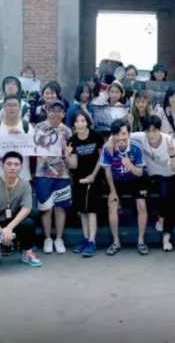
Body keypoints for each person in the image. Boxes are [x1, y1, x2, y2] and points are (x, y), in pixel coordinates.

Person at [0, 151, 42, 267]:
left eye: (16, 164)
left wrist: (9, 228)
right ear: (2, 166)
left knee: (29, 223)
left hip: (14, 222)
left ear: (21, 167)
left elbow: (26, 208)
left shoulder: (25, 185)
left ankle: (28, 252)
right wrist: (2, 233)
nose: (12, 168)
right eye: (9, 164)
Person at [101, 119, 150, 256]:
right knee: (112, 204)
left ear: (129, 133)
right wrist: (112, 191)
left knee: (141, 205)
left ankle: (141, 241)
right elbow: (107, 171)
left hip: (136, 178)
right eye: (117, 134)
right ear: (113, 135)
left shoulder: (136, 147)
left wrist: (129, 165)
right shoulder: (108, 148)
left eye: (123, 134)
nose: (121, 138)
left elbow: (140, 172)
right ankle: (116, 242)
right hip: (117, 180)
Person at [34, 101, 73, 254]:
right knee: (46, 208)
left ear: (63, 113)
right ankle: (48, 239)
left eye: (59, 110)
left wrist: (65, 150)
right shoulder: (38, 128)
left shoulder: (67, 131)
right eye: (53, 110)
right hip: (42, 174)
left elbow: (70, 153)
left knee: (60, 207)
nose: (56, 113)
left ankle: (59, 239)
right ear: (47, 112)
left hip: (62, 175)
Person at [68, 110, 104, 257]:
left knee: (91, 210)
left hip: (94, 177)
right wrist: (66, 155)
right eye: (77, 121)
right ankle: (85, 238)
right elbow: (74, 165)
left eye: (83, 121)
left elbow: (102, 158)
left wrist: (93, 175)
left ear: (87, 122)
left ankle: (92, 241)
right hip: (79, 179)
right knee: (82, 210)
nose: (80, 124)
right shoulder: (72, 140)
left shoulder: (96, 136)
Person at [0, 94, 35, 181]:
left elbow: (33, 149)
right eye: (9, 105)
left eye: (15, 105)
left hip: (23, 176)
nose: (12, 108)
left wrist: (21, 136)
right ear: (4, 107)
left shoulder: (28, 128)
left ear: (20, 107)